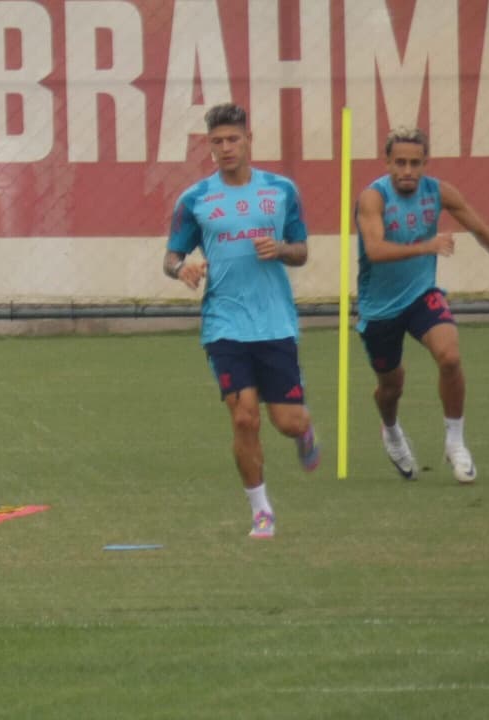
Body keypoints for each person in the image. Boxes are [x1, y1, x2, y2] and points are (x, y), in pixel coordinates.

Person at [163, 103, 319, 540]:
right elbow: (171, 257)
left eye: (233, 139)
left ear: (249, 140)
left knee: (287, 422)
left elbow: (302, 249)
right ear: (209, 147)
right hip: (224, 324)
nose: (226, 148)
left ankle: (305, 432)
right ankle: (261, 510)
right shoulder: (194, 200)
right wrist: (182, 270)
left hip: (274, 323)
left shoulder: (281, 190)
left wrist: (281, 250)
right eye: (217, 142)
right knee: (244, 418)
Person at [356, 126, 489, 484]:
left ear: (425, 163)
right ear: (387, 163)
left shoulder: (439, 192)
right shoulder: (373, 198)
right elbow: (376, 250)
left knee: (450, 356)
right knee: (391, 387)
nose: (407, 170)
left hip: (421, 294)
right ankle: (392, 431)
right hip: (379, 308)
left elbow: (483, 231)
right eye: (400, 163)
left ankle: (455, 443)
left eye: (415, 163)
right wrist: (426, 247)